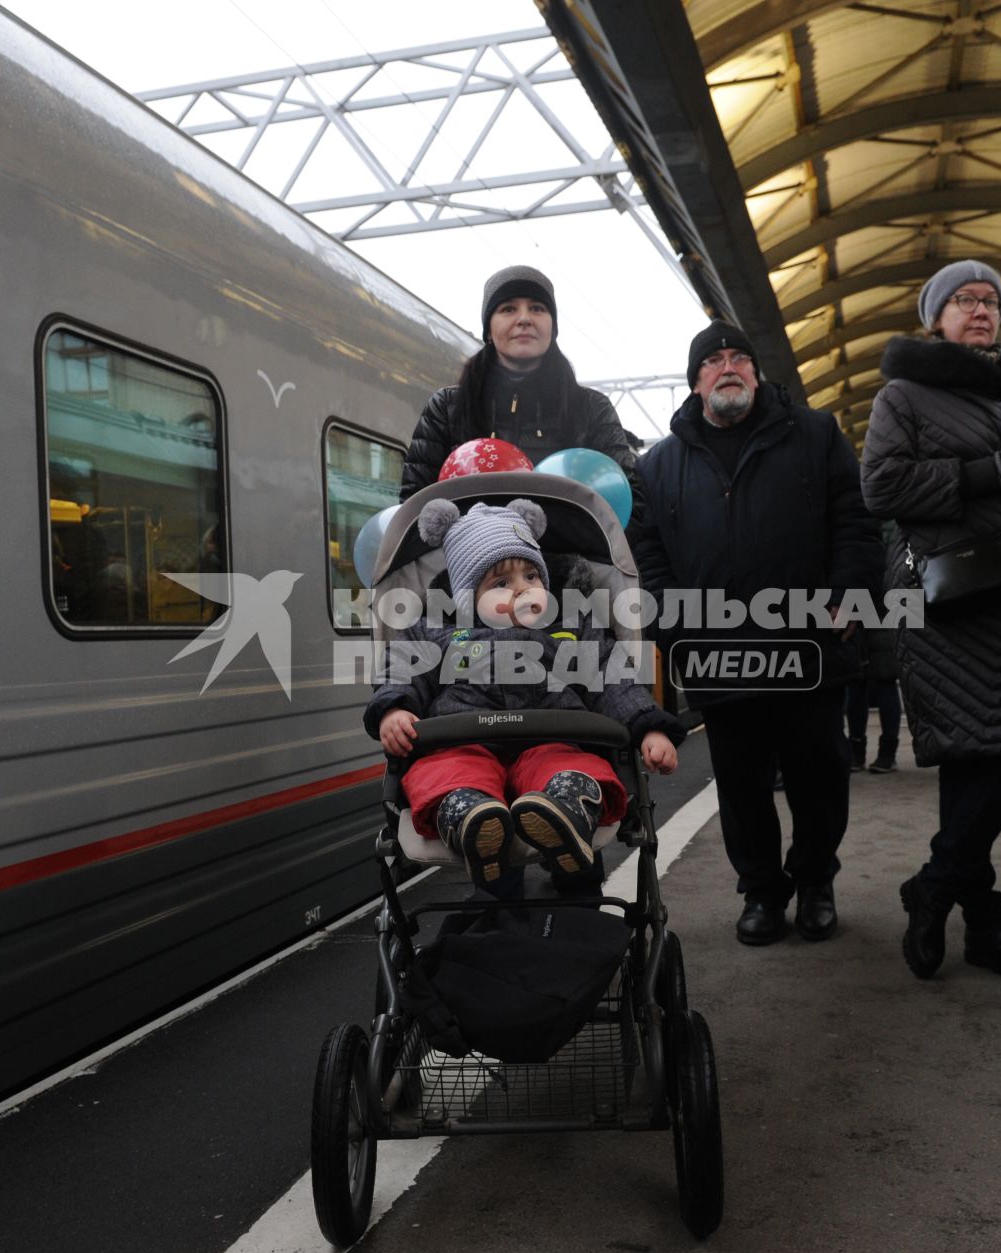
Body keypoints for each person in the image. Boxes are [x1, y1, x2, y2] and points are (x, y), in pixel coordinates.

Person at [632, 321, 881, 945]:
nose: (728, 367)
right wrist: (671, 622)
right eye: (713, 361)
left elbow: (854, 520)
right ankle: (764, 893)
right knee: (742, 786)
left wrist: (851, 595)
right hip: (719, 654)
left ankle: (816, 880)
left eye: (740, 356)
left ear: (757, 373)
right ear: (695, 383)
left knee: (818, 777)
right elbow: (648, 555)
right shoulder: (658, 465)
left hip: (809, 646)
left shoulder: (816, 434)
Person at [859, 260, 1001, 982]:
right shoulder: (904, 393)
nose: (980, 310)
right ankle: (971, 909)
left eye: (991, 301)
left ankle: (944, 890)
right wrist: (983, 473)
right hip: (947, 599)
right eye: (963, 300)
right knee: (990, 756)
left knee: (996, 758)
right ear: (934, 315)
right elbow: (882, 484)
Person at [367, 499, 681, 896]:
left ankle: (565, 812)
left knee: (578, 766)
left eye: (532, 576)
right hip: (466, 747)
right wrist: (394, 708)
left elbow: (611, 677)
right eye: (501, 583)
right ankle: (472, 820)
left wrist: (648, 727)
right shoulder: (437, 633)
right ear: (466, 598)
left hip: (550, 744)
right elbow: (401, 669)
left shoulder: (568, 629)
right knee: (441, 774)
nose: (523, 590)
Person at [399, 266, 641, 508]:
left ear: (552, 327)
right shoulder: (446, 407)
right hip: (466, 546)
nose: (524, 319)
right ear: (489, 330)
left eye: (537, 308)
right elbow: (415, 504)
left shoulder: (592, 408)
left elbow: (629, 499)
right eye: (508, 309)